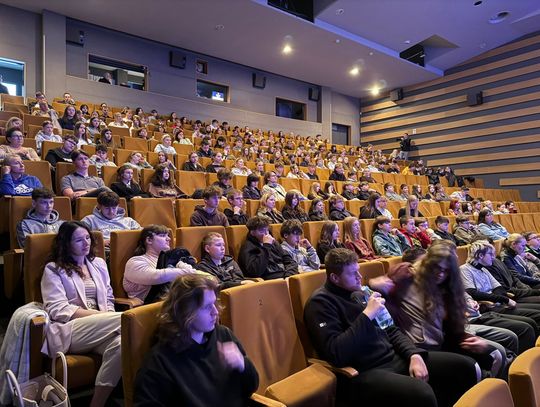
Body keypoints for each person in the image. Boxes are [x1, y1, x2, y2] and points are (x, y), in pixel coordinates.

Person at [304, 248, 477, 407]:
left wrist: (414, 354)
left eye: (358, 270)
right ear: (335, 278)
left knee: (465, 367)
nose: (359, 276)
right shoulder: (320, 303)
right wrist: (367, 315)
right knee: (422, 393)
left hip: (394, 358)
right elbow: (336, 353)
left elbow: (391, 330)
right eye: (352, 273)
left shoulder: (360, 293)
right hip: (365, 371)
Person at [133, 274, 259, 405]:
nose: (215, 312)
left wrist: (242, 364)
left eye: (214, 303)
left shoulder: (223, 335)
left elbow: (251, 387)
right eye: (207, 306)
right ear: (185, 312)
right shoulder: (160, 361)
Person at [388, 242, 503, 378]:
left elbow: (451, 328)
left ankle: (491, 386)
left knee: (495, 355)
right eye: (436, 267)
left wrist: (469, 338)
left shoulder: (448, 288)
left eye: (446, 270)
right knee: (472, 368)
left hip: (443, 340)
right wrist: (377, 284)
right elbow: (381, 296)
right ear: (427, 264)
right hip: (419, 347)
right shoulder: (407, 279)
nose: (440, 273)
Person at [40, 221, 122, 407]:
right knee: (128, 321)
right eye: (79, 240)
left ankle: (97, 403)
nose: (86, 243)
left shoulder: (99, 264)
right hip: (70, 329)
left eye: (87, 238)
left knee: (122, 343)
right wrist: (99, 316)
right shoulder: (53, 269)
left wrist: (106, 317)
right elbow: (58, 309)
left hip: (102, 325)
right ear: (66, 244)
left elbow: (109, 298)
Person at [123, 224, 200, 304]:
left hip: (173, 301)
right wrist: (189, 272)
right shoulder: (135, 262)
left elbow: (189, 270)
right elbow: (157, 276)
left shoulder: (169, 259)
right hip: (149, 306)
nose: (169, 239)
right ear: (149, 240)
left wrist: (190, 271)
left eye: (168, 235)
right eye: (163, 236)